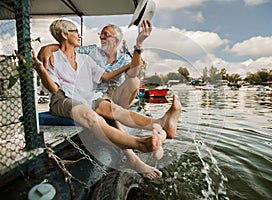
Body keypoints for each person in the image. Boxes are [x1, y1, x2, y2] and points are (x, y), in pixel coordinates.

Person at [33, 19, 182, 179]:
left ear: (115, 40)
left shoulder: (88, 59)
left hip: (95, 96)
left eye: (105, 34)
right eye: (76, 32)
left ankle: (161, 123)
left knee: (117, 104)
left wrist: (134, 53)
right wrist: (44, 59)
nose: (81, 35)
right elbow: (54, 87)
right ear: (64, 34)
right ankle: (141, 144)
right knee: (92, 116)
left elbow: (107, 76)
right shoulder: (79, 53)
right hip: (67, 97)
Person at [38, 20, 152, 108]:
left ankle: (120, 113)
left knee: (134, 80)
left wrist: (139, 43)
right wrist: (48, 48)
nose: (101, 37)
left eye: (105, 34)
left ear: (115, 40)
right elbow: (67, 47)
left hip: (117, 96)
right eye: (100, 34)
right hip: (93, 96)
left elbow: (134, 72)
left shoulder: (125, 58)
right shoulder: (91, 51)